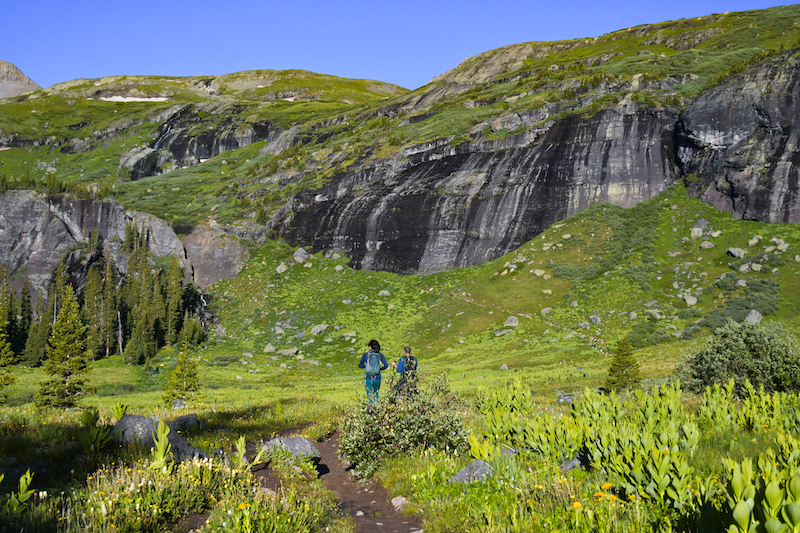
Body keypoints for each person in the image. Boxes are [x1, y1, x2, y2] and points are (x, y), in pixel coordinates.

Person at [358, 339, 388, 404]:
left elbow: (360, 365)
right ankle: (377, 409)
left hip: (368, 377)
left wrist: (367, 367)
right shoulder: (380, 355)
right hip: (377, 378)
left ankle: (371, 410)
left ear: (370, 347)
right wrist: (380, 369)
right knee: (376, 394)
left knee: (369, 395)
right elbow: (386, 365)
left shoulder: (366, 355)